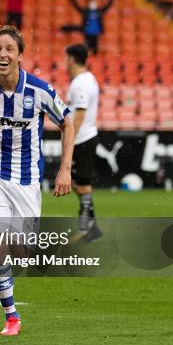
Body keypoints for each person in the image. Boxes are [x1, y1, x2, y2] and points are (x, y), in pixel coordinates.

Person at [0, 25, 74, 337]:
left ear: (20, 56)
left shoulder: (39, 91)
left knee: (21, 253)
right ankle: (11, 315)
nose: (3, 54)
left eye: (10, 49)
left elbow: (67, 122)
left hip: (28, 179)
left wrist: (65, 169)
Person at [65, 44, 102, 242]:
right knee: (79, 183)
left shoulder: (80, 83)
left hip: (82, 139)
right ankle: (90, 225)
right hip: (85, 137)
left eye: (66, 58)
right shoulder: (89, 79)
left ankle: (88, 227)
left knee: (83, 184)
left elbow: (80, 113)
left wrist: (70, 137)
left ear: (71, 59)